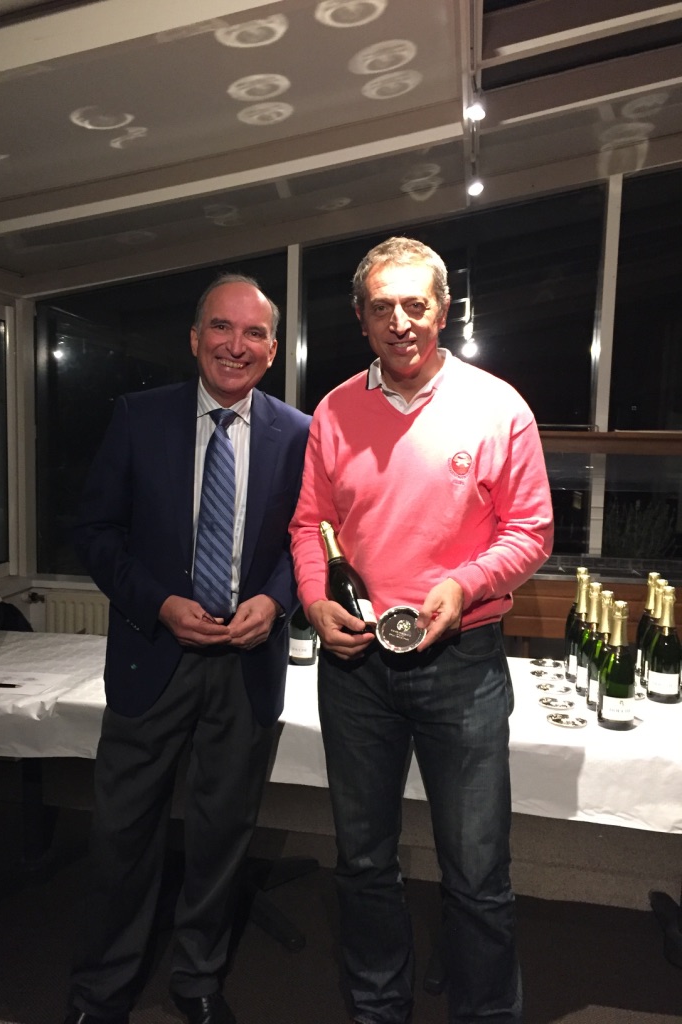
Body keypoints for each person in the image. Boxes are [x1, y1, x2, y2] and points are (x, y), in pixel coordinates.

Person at [289, 237, 553, 1024]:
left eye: (415, 304)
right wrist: (313, 598)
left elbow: (532, 532)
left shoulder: (499, 407)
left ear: (444, 309)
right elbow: (309, 525)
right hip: (357, 666)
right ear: (361, 319)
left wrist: (463, 585)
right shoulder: (334, 410)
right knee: (363, 862)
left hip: (462, 661)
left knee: (477, 871)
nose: (399, 321)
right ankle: (379, 1009)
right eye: (382, 307)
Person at [65, 274, 311, 1024]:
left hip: (247, 664)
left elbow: (309, 541)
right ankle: (102, 989)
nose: (236, 345)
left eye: (253, 333)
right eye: (221, 328)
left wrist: (277, 601)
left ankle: (198, 977)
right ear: (196, 337)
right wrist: (160, 604)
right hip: (153, 655)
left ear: (272, 349)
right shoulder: (138, 418)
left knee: (222, 833)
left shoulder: (300, 433)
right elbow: (95, 533)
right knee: (121, 833)